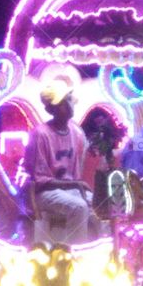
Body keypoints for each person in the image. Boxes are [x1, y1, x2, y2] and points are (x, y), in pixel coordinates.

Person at [22, 78, 91, 243]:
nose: (68, 105)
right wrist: (76, 184)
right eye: (62, 102)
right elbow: (40, 181)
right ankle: (74, 254)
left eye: (68, 99)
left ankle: (101, 250)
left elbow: (75, 175)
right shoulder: (40, 134)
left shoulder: (75, 131)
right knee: (79, 207)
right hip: (44, 193)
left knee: (102, 205)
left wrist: (76, 185)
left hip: (69, 190)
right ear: (51, 109)